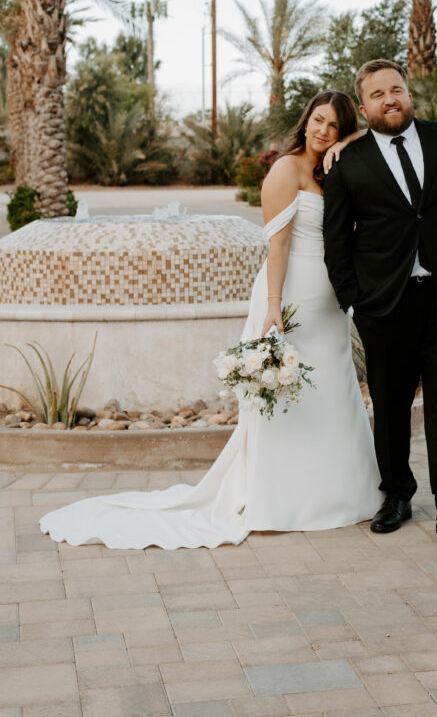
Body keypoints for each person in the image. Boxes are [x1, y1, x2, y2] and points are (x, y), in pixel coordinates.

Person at [40, 90, 382, 549]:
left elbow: (377, 143)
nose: (324, 131)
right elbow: (276, 246)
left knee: (334, 390)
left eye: (334, 126)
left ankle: (344, 492)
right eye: (318, 121)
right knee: (289, 398)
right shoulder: (285, 170)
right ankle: (281, 499)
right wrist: (273, 306)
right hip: (293, 295)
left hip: (332, 305)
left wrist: (354, 138)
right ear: (305, 122)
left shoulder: (335, 164)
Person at [323, 60, 437, 549]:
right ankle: (397, 496)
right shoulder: (350, 161)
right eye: (379, 94)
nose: (391, 99)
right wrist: (353, 300)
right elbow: (336, 238)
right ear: (363, 108)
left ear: (409, 95)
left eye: (397, 90)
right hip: (384, 304)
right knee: (390, 404)